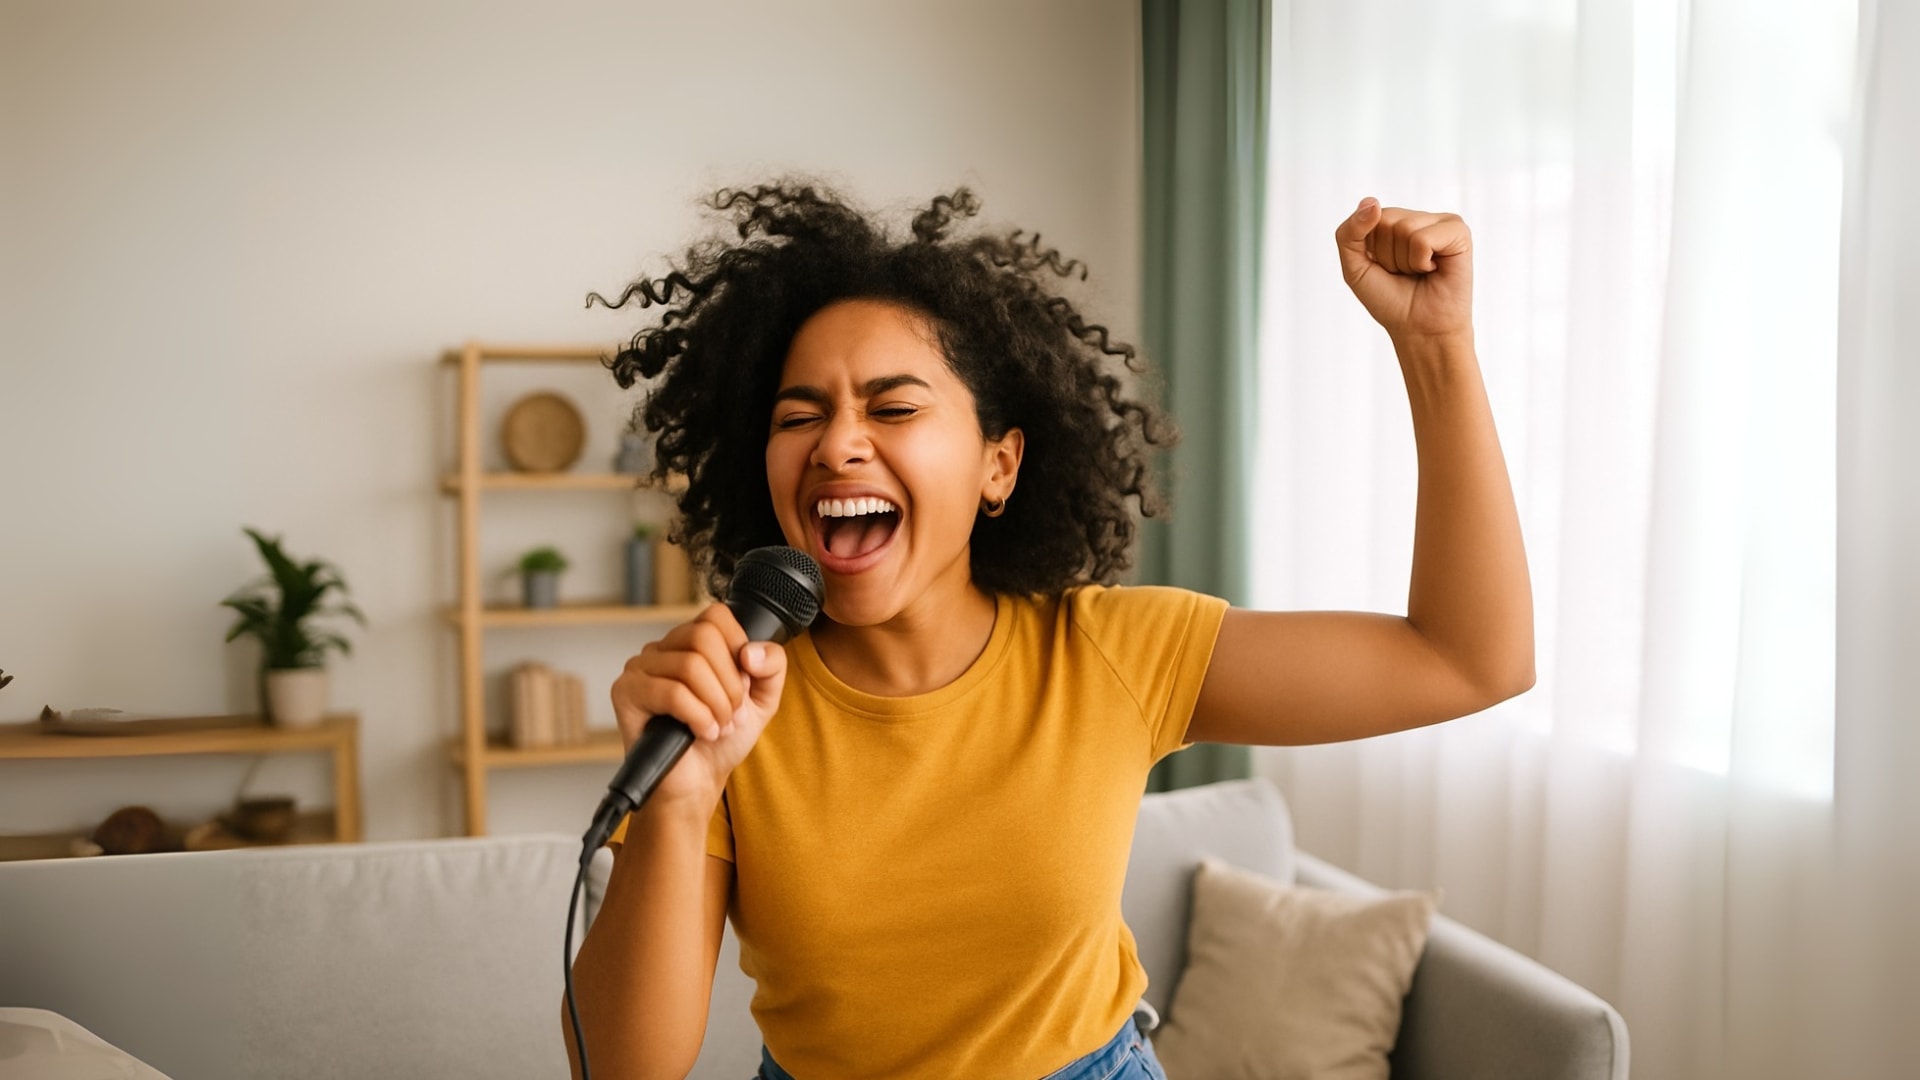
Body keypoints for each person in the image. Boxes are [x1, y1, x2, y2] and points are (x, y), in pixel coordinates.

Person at [563, 181, 1534, 1080]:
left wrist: (1437, 345)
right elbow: (620, 1072)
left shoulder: (1110, 653)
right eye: (797, 416)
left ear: (1000, 465)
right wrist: (683, 799)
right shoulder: (728, 706)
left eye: (893, 406)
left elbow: (1468, 660)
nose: (838, 443)